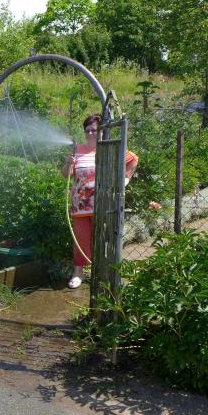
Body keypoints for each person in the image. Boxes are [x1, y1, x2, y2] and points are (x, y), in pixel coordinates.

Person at [62, 114, 138, 289]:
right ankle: (78, 273)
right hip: (80, 206)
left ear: (102, 131)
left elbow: (133, 159)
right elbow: (66, 175)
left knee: (104, 239)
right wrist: (68, 164)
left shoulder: (109, 147)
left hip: (104, 204)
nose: (90, 133)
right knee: (81, 239)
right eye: (87, 130)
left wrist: (125, 180)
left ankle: (103, 273)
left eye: (94, 130)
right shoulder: (77, 150)